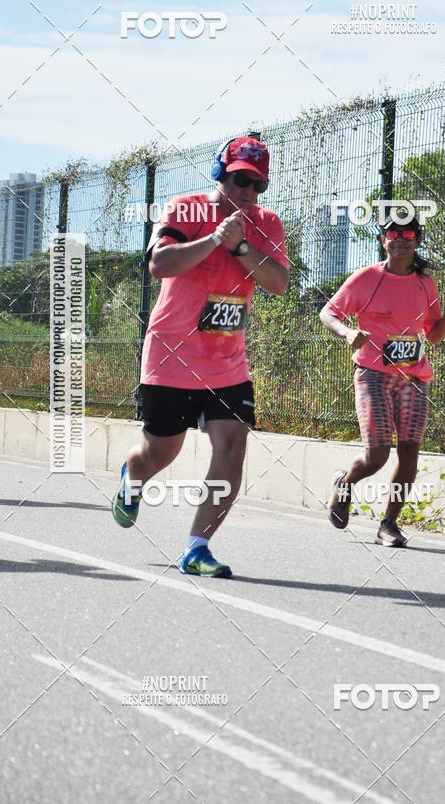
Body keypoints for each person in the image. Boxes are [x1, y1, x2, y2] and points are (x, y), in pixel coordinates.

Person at [112, 136, 289, 577]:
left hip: (227, 361)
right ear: (220, 174)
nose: (248, 191)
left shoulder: (267, 223)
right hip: (172, 354)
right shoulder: (185, 209)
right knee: (159, 453)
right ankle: (133, 477)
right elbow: (160, 264)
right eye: (240, 180)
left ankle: (197, 547)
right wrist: (214, 238)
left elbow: (279, 283)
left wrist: (241, 247)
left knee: (232, 445)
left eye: (257, 184)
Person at [319, 214, 445, 547]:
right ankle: (346, 481)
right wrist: (347, 332)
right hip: (374, 375)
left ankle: (389, 524)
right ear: (383, 239)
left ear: (418, 240)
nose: (400, 238)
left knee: (410, 450)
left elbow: (434, 335)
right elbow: (328, 312)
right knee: (377, 455)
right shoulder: (366, 278)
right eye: (392, 233)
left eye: (408, 232)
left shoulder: (426, 284)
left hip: (413, 377)